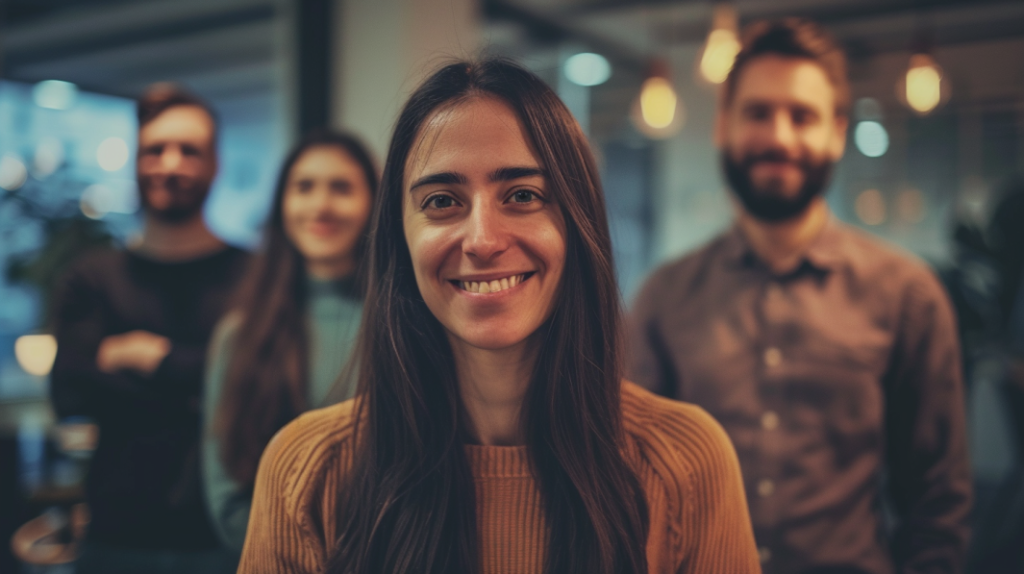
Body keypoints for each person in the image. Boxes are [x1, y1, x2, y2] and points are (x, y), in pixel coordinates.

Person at [237, 59, 761, 574]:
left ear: (579, 225)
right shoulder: (306, 472)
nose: (483, 240)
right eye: (442, 200)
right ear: (400, 238)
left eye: (523, 195)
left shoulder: (687, 461)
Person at [628, 18, 971, 574]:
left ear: (837, 131)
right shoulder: (664, 298)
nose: (779, 138)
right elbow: (633, 482)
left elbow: (937, 504)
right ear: (724, 125)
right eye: (758, 113)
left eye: (802, 116)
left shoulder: (907, 294)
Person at [50, 84, 247, 573]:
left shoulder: (257, 277)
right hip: (115, 540)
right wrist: (204, 381)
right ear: (136, 160)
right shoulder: (90, 278)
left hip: (225, 539)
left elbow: (258, 387)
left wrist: (152, 361)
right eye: (155, 150)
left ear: (215, 163)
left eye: (189, 150)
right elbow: (69, 391)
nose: (171, 164)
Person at [201, 130, 376, 553]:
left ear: (374, 203)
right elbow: (226, 494)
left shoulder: (408, 326)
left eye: (341, 187)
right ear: (282, 204)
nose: (320, 205)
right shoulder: (239, 336)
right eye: (304, 187)